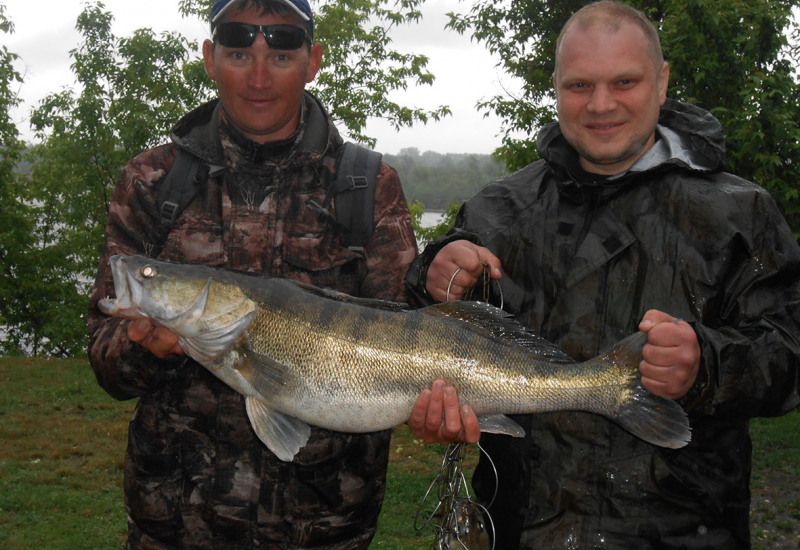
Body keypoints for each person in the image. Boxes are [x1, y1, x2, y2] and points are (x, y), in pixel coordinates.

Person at [405, 2, 800, 548]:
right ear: (556, 87)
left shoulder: (741, 213)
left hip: (683, 533)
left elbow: (789, 348)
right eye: (579, 85)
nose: (601, 104)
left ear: (660, 82)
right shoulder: (497, 210)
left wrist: (706, 364)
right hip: (520, 526)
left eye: (624, 81)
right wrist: (432, 273)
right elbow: (422, 331)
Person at [87, 0, 419, 548]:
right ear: (210, 57)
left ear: (312, 61)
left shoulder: (368, 185)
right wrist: (143, 347)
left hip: (325, 526)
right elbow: (104, 359)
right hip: (175, 524)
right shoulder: (152, 180)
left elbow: (407, 337)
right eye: (239, 52)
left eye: (281, 54)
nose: (259, 77)